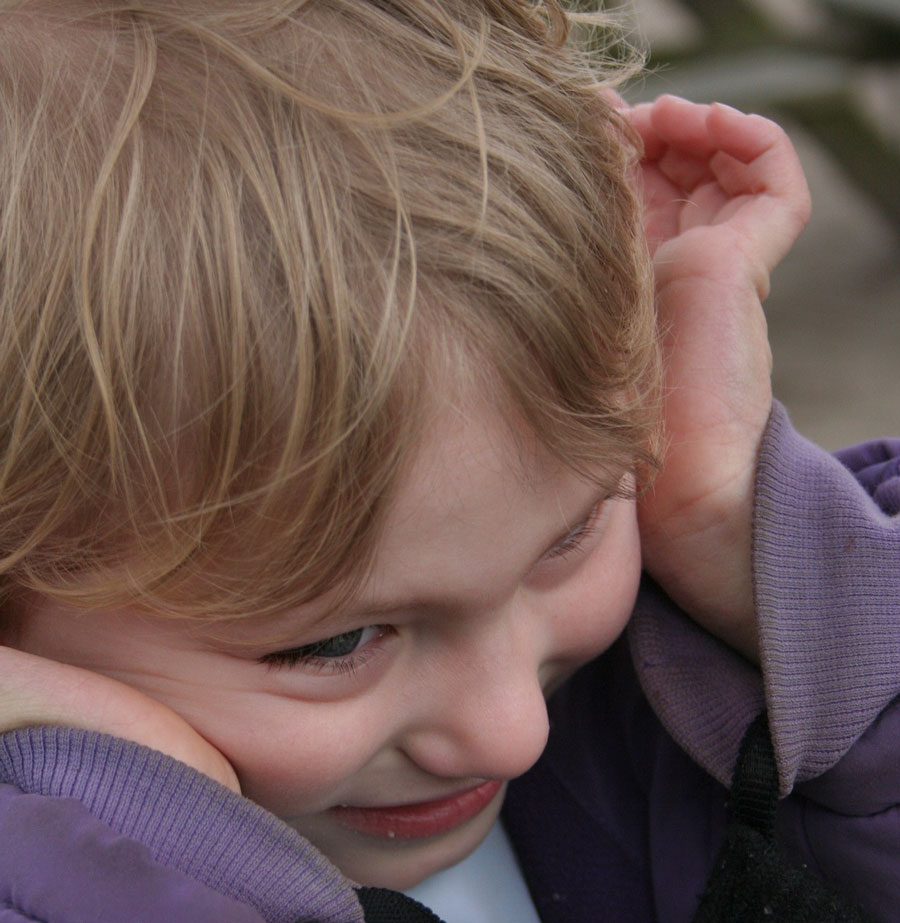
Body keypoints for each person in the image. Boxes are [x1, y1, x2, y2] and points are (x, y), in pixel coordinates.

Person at [0, 1, 897, 921]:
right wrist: (146, 835)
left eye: (574, 531)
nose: (512, 731)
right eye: (336, 641)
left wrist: (759, 543)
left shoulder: (678, 669)